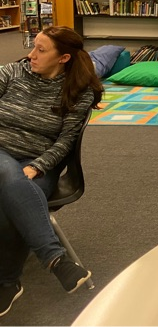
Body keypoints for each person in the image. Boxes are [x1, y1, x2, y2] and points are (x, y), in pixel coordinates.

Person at [0, 26, 103, 317]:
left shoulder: (78, 91)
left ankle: (7, 282)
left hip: (39, 163)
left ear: (63, 58)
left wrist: (38, 166)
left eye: (41, 50)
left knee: (11, 195)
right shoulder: (11, 73)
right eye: (33, 46)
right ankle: (54, 260)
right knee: (7, 174)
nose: (31, 55)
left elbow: (66, 142)